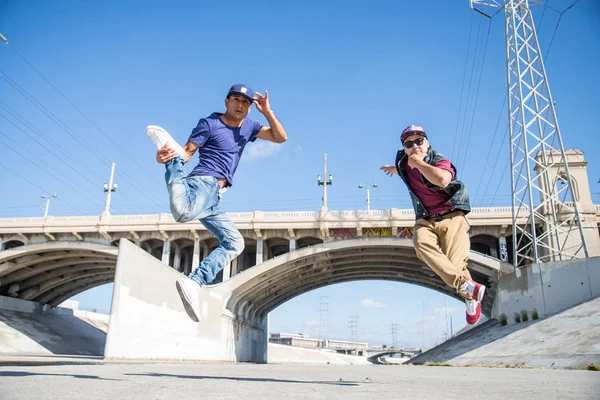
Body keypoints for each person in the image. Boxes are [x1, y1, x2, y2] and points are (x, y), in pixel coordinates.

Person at [145, 84, 287, 321]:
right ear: (226, 102)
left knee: (235, 243)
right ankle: (170, 157)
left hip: (215, 198)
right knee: (182, 214)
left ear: (249, 108)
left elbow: (279, 137)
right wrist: (165, 158)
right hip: (204, 183)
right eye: (236, 100)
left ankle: (194, 282)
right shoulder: (210, 123)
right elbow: (188, 152)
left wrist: (267, 112)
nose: (240, 105)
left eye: (245, 102)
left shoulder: (249, 126)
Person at [380, 125, 486, 325]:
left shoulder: (438, 160)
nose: (415, 147)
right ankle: (467, 286)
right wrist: (394, 170)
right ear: (404, 148)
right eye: (409, 144)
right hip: (425, 220)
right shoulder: (404, 162)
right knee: (420, 244)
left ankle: (470, 296)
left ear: (427, 143)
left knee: (456, 265)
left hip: (452, 217)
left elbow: (444, 179)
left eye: (419, 141)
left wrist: (419, 164)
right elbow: (404, 171)